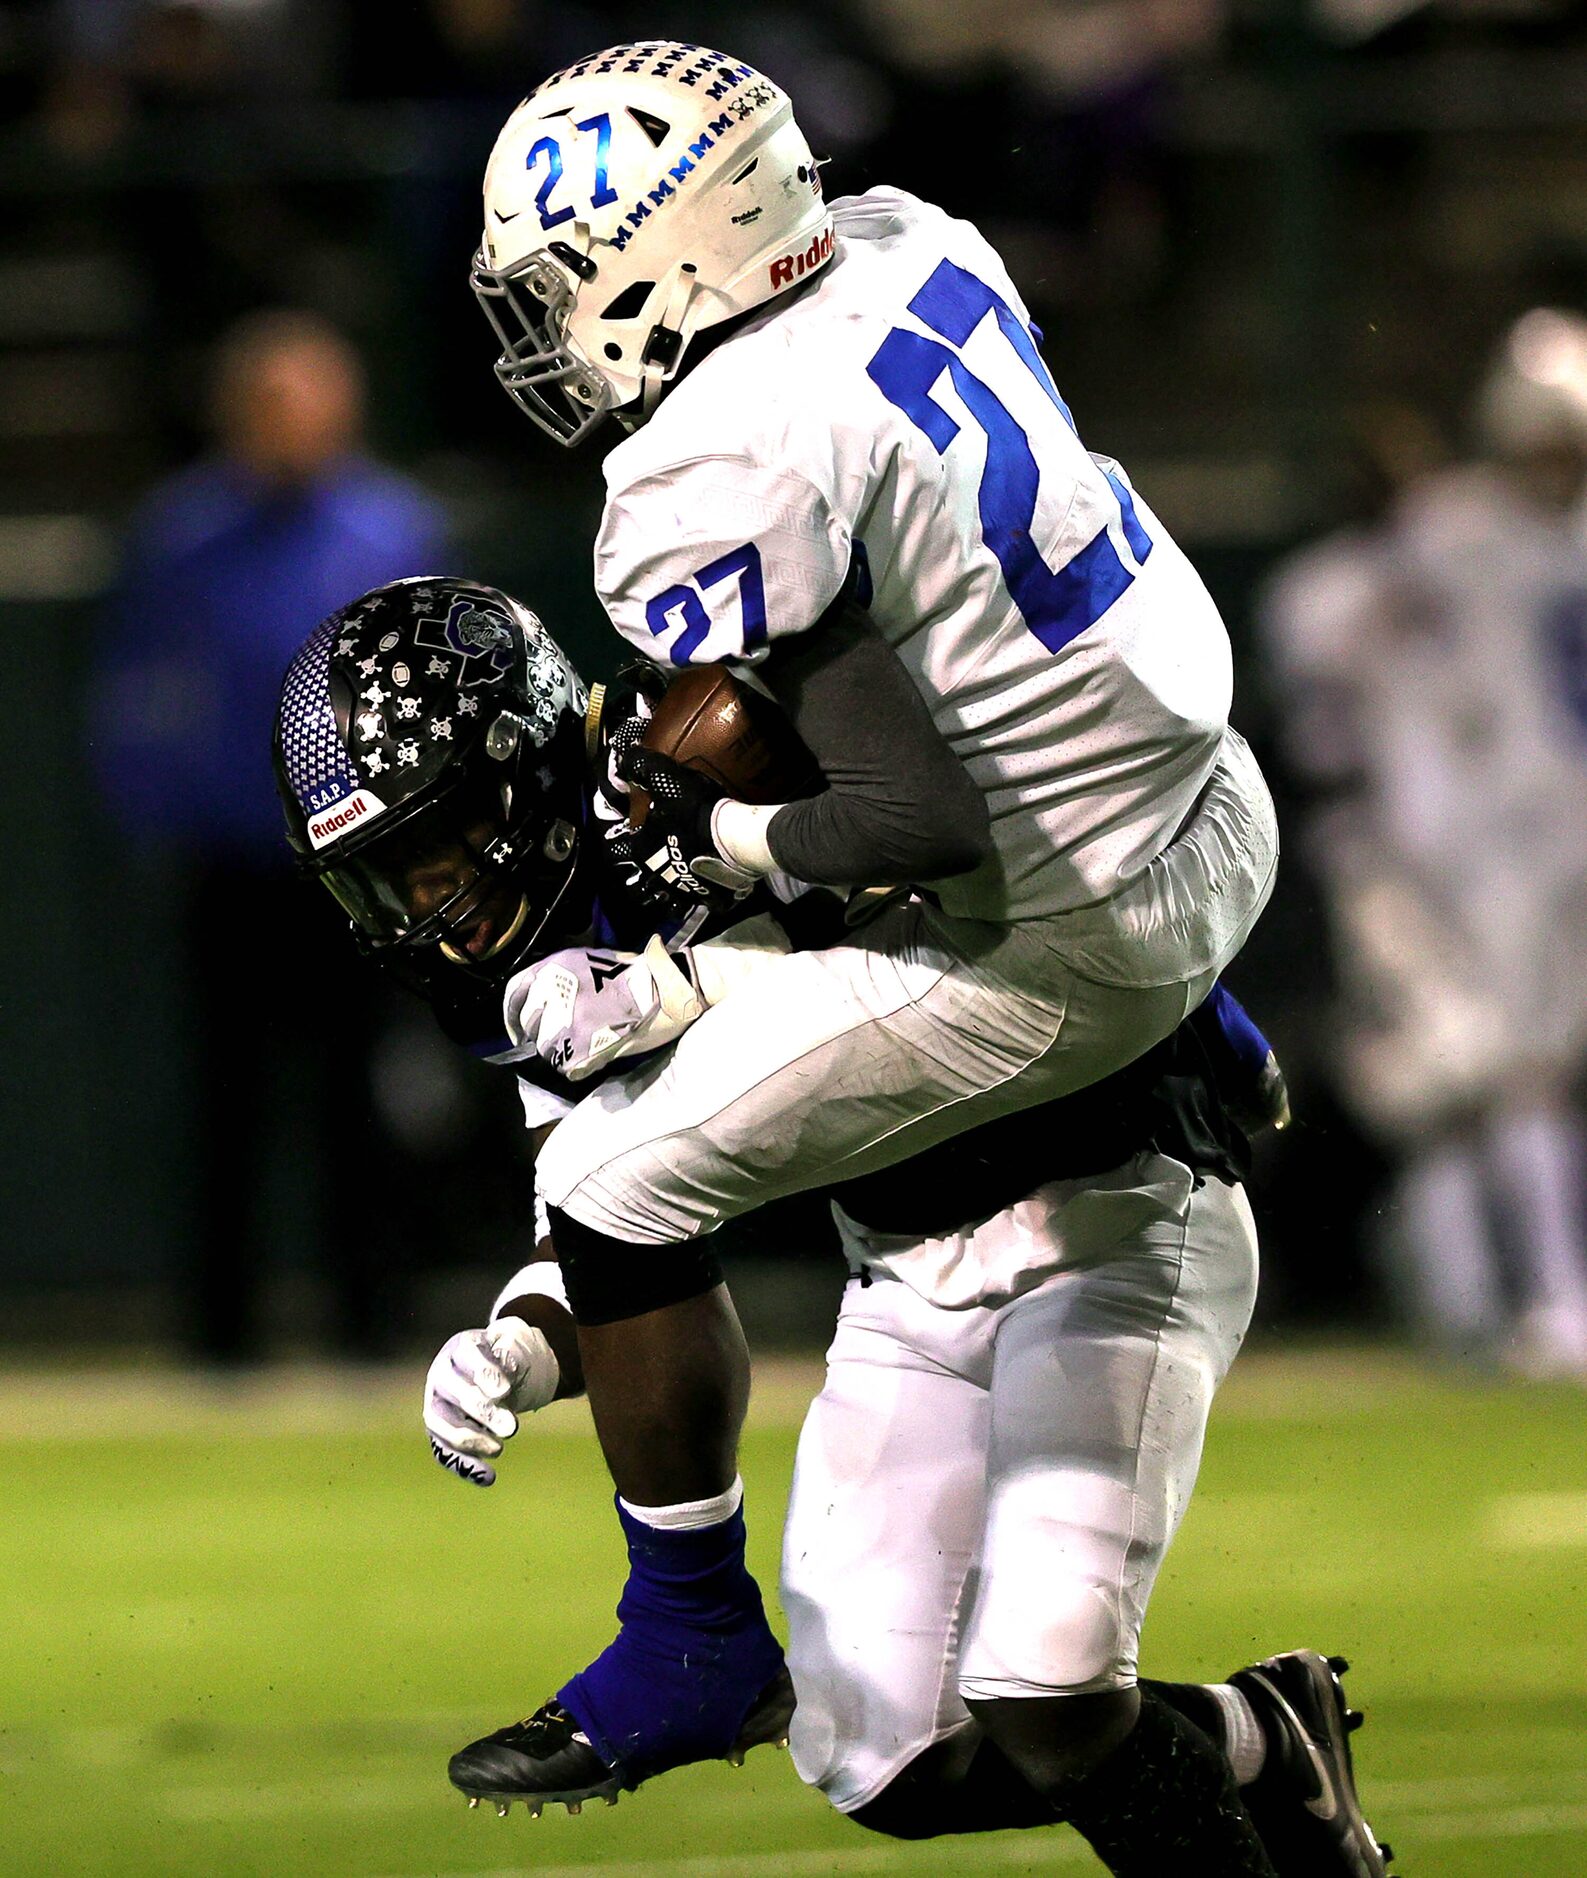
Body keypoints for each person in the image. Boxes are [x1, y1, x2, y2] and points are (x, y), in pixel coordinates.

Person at [451, 40, 1278, 1855]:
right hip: (1205, 803)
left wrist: (727, 824)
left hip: (1062, 920)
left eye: (561, 283)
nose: (546, 331)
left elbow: (912, 821)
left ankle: (686, 1640)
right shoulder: (907, 243)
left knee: (610, 1171)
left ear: (663, 252)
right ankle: (1166, 1043)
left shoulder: (712, 457)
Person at [273, 579, 1391, 1874]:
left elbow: (968, 890)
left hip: (1110, 1195)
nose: (434, 907)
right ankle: (1262, 1736)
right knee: (882, 1756)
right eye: (386, 883)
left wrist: (693, 977)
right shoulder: (520, 966)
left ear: (518, 766)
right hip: (904, 1268)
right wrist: (517, 1343)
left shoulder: (718, 734)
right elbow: (592, 1220)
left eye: (443, 846)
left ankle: (688, 1629)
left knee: (1042, 1679)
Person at [95, 308, 445, 1361]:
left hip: (364, 874)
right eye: (274, 399)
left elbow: (440, 698)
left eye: (314, 396)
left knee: (363, 1101)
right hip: (233, 867)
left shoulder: (394, 531)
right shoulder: (180, 537)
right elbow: (132, 698)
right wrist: (160, 816)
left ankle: (372, 1328)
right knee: (226, 1104)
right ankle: (220, 1340)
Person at [1260, 321, 1587, 1376]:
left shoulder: (1488, 545)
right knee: (1459, 1087)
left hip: (1502, 835)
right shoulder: (1360, 577)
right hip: (1397, 849)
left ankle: (1494, 1304)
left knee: (1495, 1083)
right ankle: (1507, 1303)